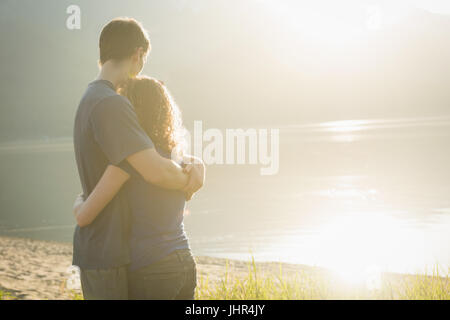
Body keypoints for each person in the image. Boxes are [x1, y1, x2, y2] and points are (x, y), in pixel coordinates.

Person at [72, 17, 204, 300]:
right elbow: (155, 171)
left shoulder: (90, 98)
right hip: (110, 252)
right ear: (138, 54)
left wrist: (81, 203)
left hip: (108, 250)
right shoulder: (111, 103)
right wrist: (193, 176)